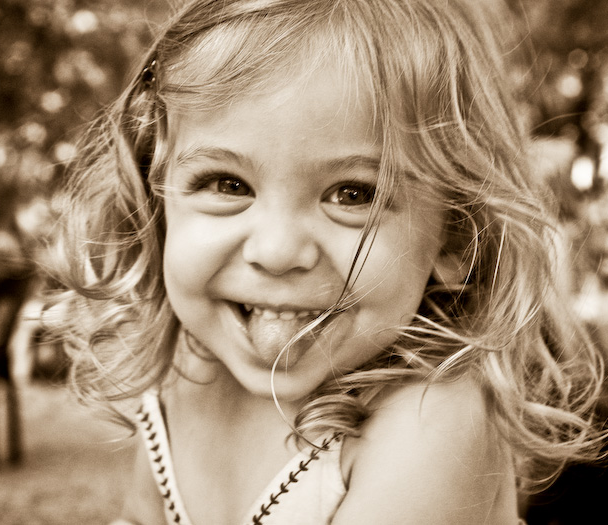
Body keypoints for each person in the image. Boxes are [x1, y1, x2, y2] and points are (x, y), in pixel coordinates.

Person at [46, 0, 607, 523]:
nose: (276, 252)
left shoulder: (433, 419)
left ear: (457, 238)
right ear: (156, 196)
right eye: (228, 184)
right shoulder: (186, 366)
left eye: (353, 195)